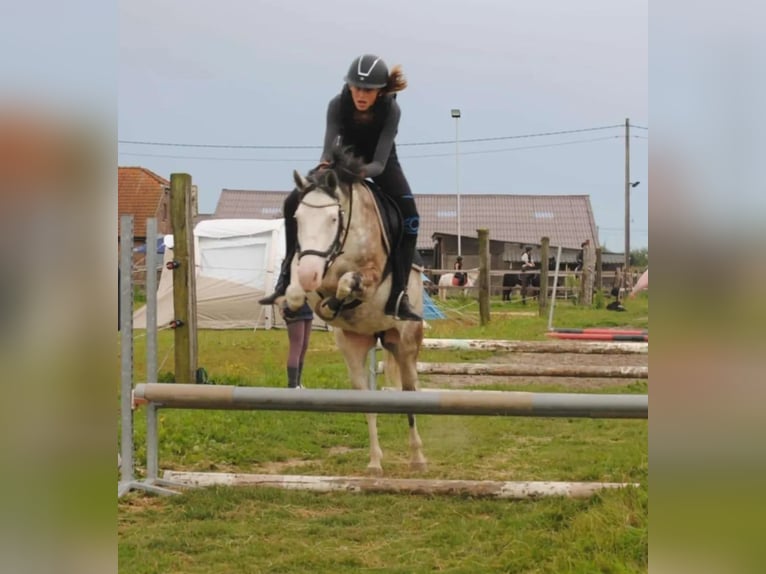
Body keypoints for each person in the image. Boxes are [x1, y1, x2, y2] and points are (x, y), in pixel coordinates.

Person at [259, 54, 421, 321]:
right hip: (340, 161)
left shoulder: (391, 110)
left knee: (412, 217)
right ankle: (284, 278)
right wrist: (325, 169)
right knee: (292, 202)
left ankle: (399, 295)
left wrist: (356, 173)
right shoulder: (337, 104)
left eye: (368, 90)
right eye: (356, 87)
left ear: (380, 91)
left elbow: (378, 163)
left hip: (378, 164)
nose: (360, 94)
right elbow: (327, 150)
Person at [281, 299, 313, 389]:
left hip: (307, 309)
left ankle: (298, 383)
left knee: (304, 346)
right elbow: (280, 288)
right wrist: (283, 306)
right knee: (296, 347)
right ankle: (292, 385)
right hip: (294, 309)